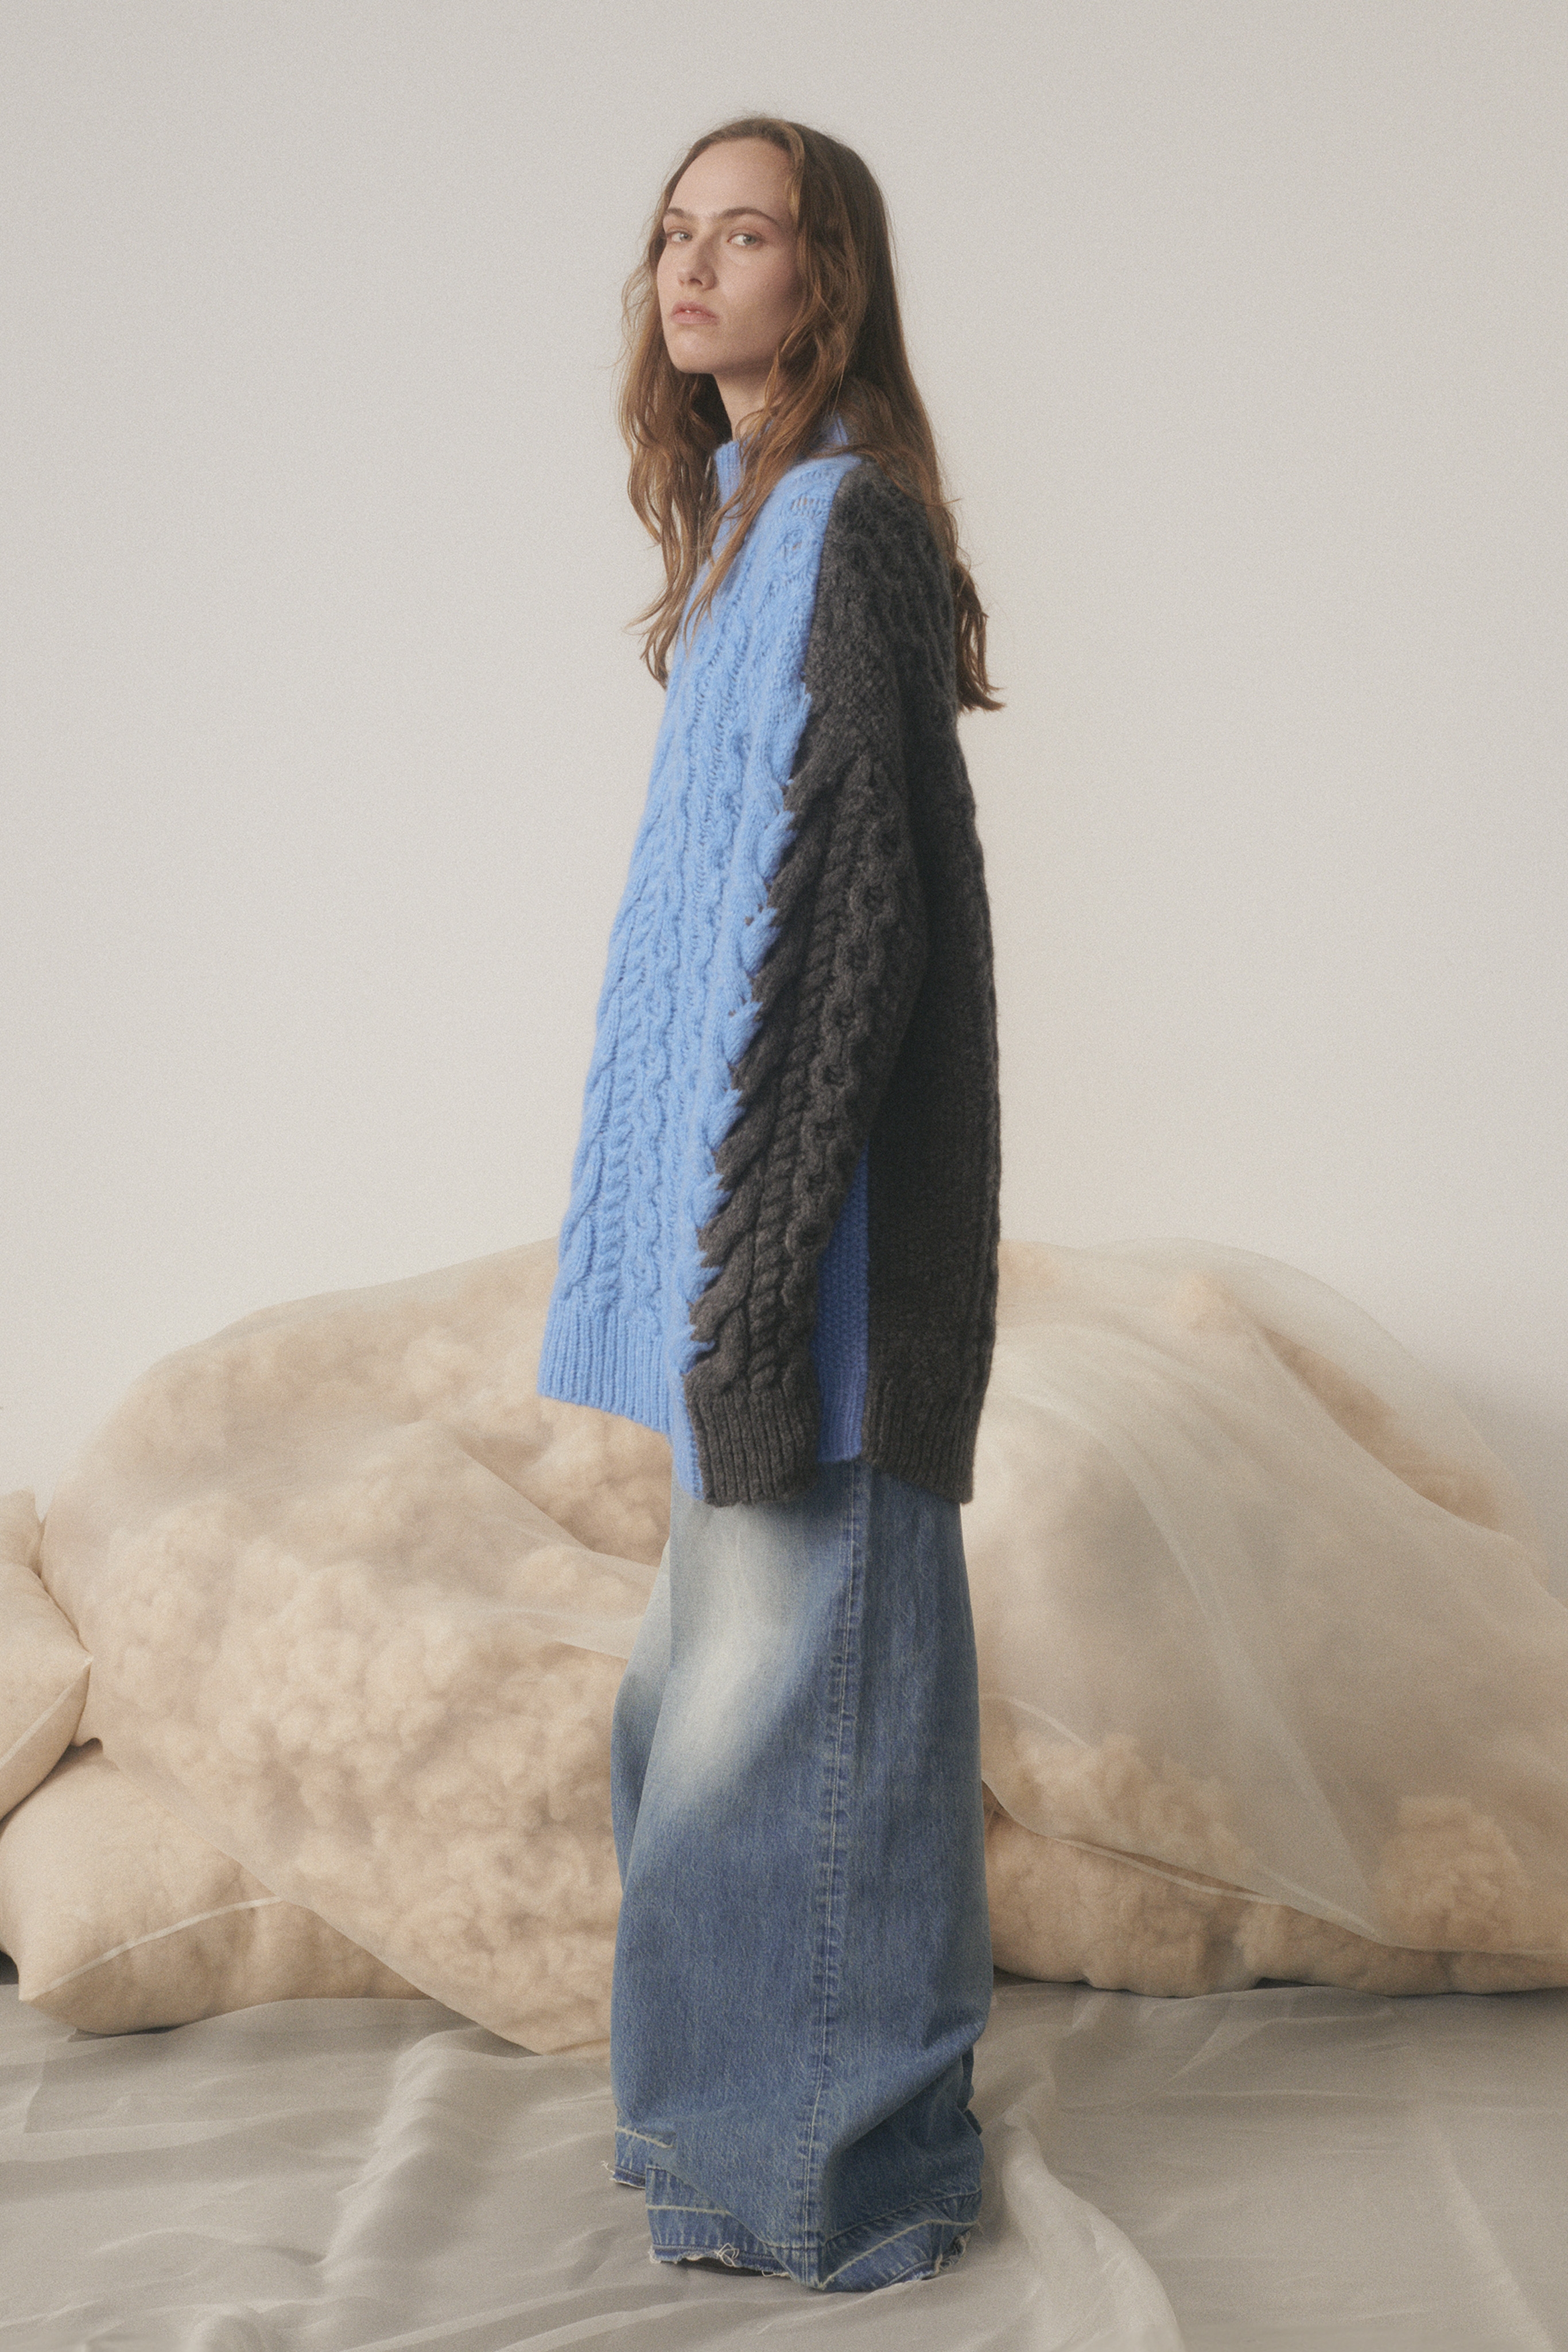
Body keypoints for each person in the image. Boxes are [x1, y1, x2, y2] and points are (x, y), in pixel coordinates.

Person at [535, 115, 1003, 2292]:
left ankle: (831, 2179)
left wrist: (753, 1271)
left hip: (807, 1269)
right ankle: (730, 2146)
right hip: (743, 1265)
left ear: (832, 277)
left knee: (797, 1730)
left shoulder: (845, 524)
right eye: (672, 232)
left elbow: (842, 935)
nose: (693, 265)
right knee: (704, 1722)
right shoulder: (744, 524)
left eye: (747, 233)